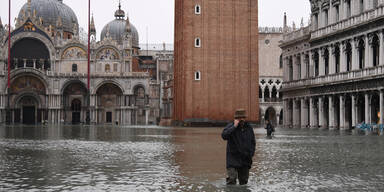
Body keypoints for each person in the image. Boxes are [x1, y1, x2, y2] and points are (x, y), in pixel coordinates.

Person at [221, 109, 256, 185]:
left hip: (245, 159)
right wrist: (234, 126)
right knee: (232, 180)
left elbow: (253, 141)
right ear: (236, 118)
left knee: (244, 182)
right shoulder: (231, 126)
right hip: (233, 158)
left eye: (243, 117)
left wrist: (251, 153)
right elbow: (224, 136)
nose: (241, 119)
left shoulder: (249, 128)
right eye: (239, 118)